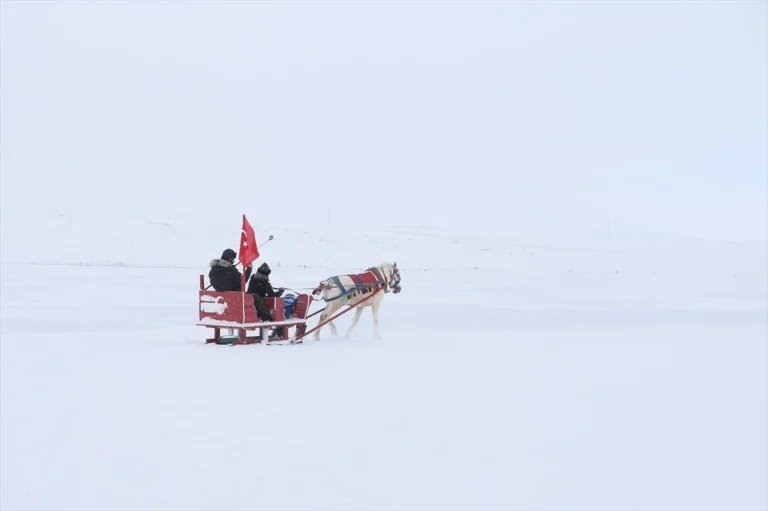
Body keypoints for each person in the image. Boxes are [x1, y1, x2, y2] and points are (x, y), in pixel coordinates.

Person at [247, 262, 285, 337]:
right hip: (260, 309)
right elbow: (272, 296)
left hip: (250, 306)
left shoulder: (253, 278)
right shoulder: (265, 283)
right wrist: (280, 292)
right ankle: (279, 333)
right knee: (276, 316)